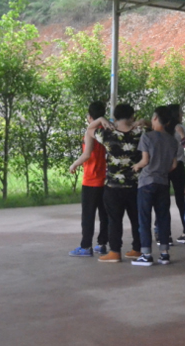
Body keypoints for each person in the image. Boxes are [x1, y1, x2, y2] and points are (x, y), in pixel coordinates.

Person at [90, 103, 144, 263]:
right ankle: (137, 249)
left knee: (114, 220)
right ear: (132, 116)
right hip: (135, 184)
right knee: (137, 219)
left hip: (113, 185)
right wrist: (143, 122)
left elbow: (89, 130)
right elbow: (156, 127)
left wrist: (100, 119)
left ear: (114, 117)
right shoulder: (140, 133)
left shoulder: (107, 134)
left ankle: (115, 252)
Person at [133, 106, 180, 266]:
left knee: (144, 218)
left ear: (154, 118)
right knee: (163, 218)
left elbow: (145, 161)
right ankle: (164, 253)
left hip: (147, 182)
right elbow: (174, 165)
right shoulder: (172, 140)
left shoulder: (147, 137)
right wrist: (162, 170)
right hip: (163, 182)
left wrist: (137, 166)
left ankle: (146, 254)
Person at [68, 101, 110, 257]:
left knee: (88, 215)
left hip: (91, 179)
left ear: (90, 117)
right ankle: (102, 244)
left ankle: (86, 246)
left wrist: (74, 164)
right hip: (106, 179)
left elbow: (87, 155)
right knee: (104, 215)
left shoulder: (91, 132)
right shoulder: (108, 130)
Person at [167, 104, 185, 245]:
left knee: (163, 201)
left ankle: (166, 234)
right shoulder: (182, 129)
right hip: (179, 166)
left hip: (165, 166)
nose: (182, 114)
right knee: (181, 200)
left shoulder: (164, 129)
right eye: (181, 112)